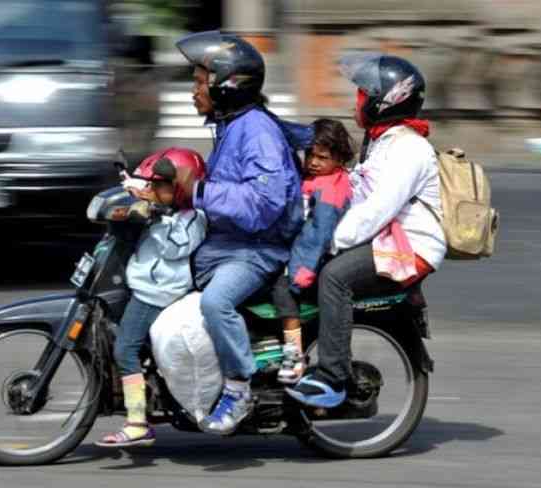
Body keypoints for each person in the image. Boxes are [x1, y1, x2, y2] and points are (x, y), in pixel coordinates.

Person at [287, 53, 446, 408]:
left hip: (412, 246)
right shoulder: (382, 142)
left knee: (334, 277)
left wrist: (329, 242)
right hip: (386, 239)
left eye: (362, 94)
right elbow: (354, 194)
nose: (357, 101)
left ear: (386, 100)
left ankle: (333, 377)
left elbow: (378, 209)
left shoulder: (409, 149)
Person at [169, 31, 305, 435]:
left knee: (215, 303)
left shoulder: (256, 130)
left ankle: (238, 387)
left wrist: (197, 192)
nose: (194, 91)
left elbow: (263, 204)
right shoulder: (231, 126)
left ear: (226, 85)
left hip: (257, 250)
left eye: (199, 82)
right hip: (230, 244)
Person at [96, 148, 207, 448]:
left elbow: (176, 248)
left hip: (156, 293)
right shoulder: (167, 208)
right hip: (143, 285)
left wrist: (155, 214)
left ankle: (136, 423)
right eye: (152, 185)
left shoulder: (193, 218)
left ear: (182, 188)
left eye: (161, 186)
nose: (153, 191)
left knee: (124, 350)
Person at [271, 118, 355, 385]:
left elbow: (319, 235)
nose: (314, 162)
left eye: (322, 157)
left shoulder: (331, 188)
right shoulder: (314, 179)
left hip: (314, 261)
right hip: (300, 252)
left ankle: (293, 354)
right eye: (310, 155)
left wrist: (304, 270)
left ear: (339, 159)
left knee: (282, 290)